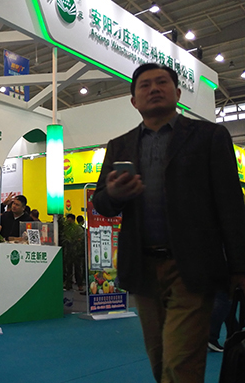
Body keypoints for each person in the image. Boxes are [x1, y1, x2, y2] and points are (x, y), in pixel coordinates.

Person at [93, 62, 245, 383]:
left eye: (161, 82)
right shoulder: (119, 145)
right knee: (159, 357)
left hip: (193, 266)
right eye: (145, 85)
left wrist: (239, 267)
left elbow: (231, 204)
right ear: (134, 100)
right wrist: (114, 194)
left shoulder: (209, 136)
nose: (154, 89)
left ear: (177, 93)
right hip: (142, 268)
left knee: (180, 362)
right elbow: (102, 205)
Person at [61, 214, 85, 292]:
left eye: (69, 219)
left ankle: (80, 285)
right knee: (69, 269)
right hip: (69, 251)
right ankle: (68, 284)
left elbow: (81, 238)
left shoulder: (78, 228)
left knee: (77, 269)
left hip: (76, 251)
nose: (68, 221)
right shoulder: (66, 229)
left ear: (73, 219)